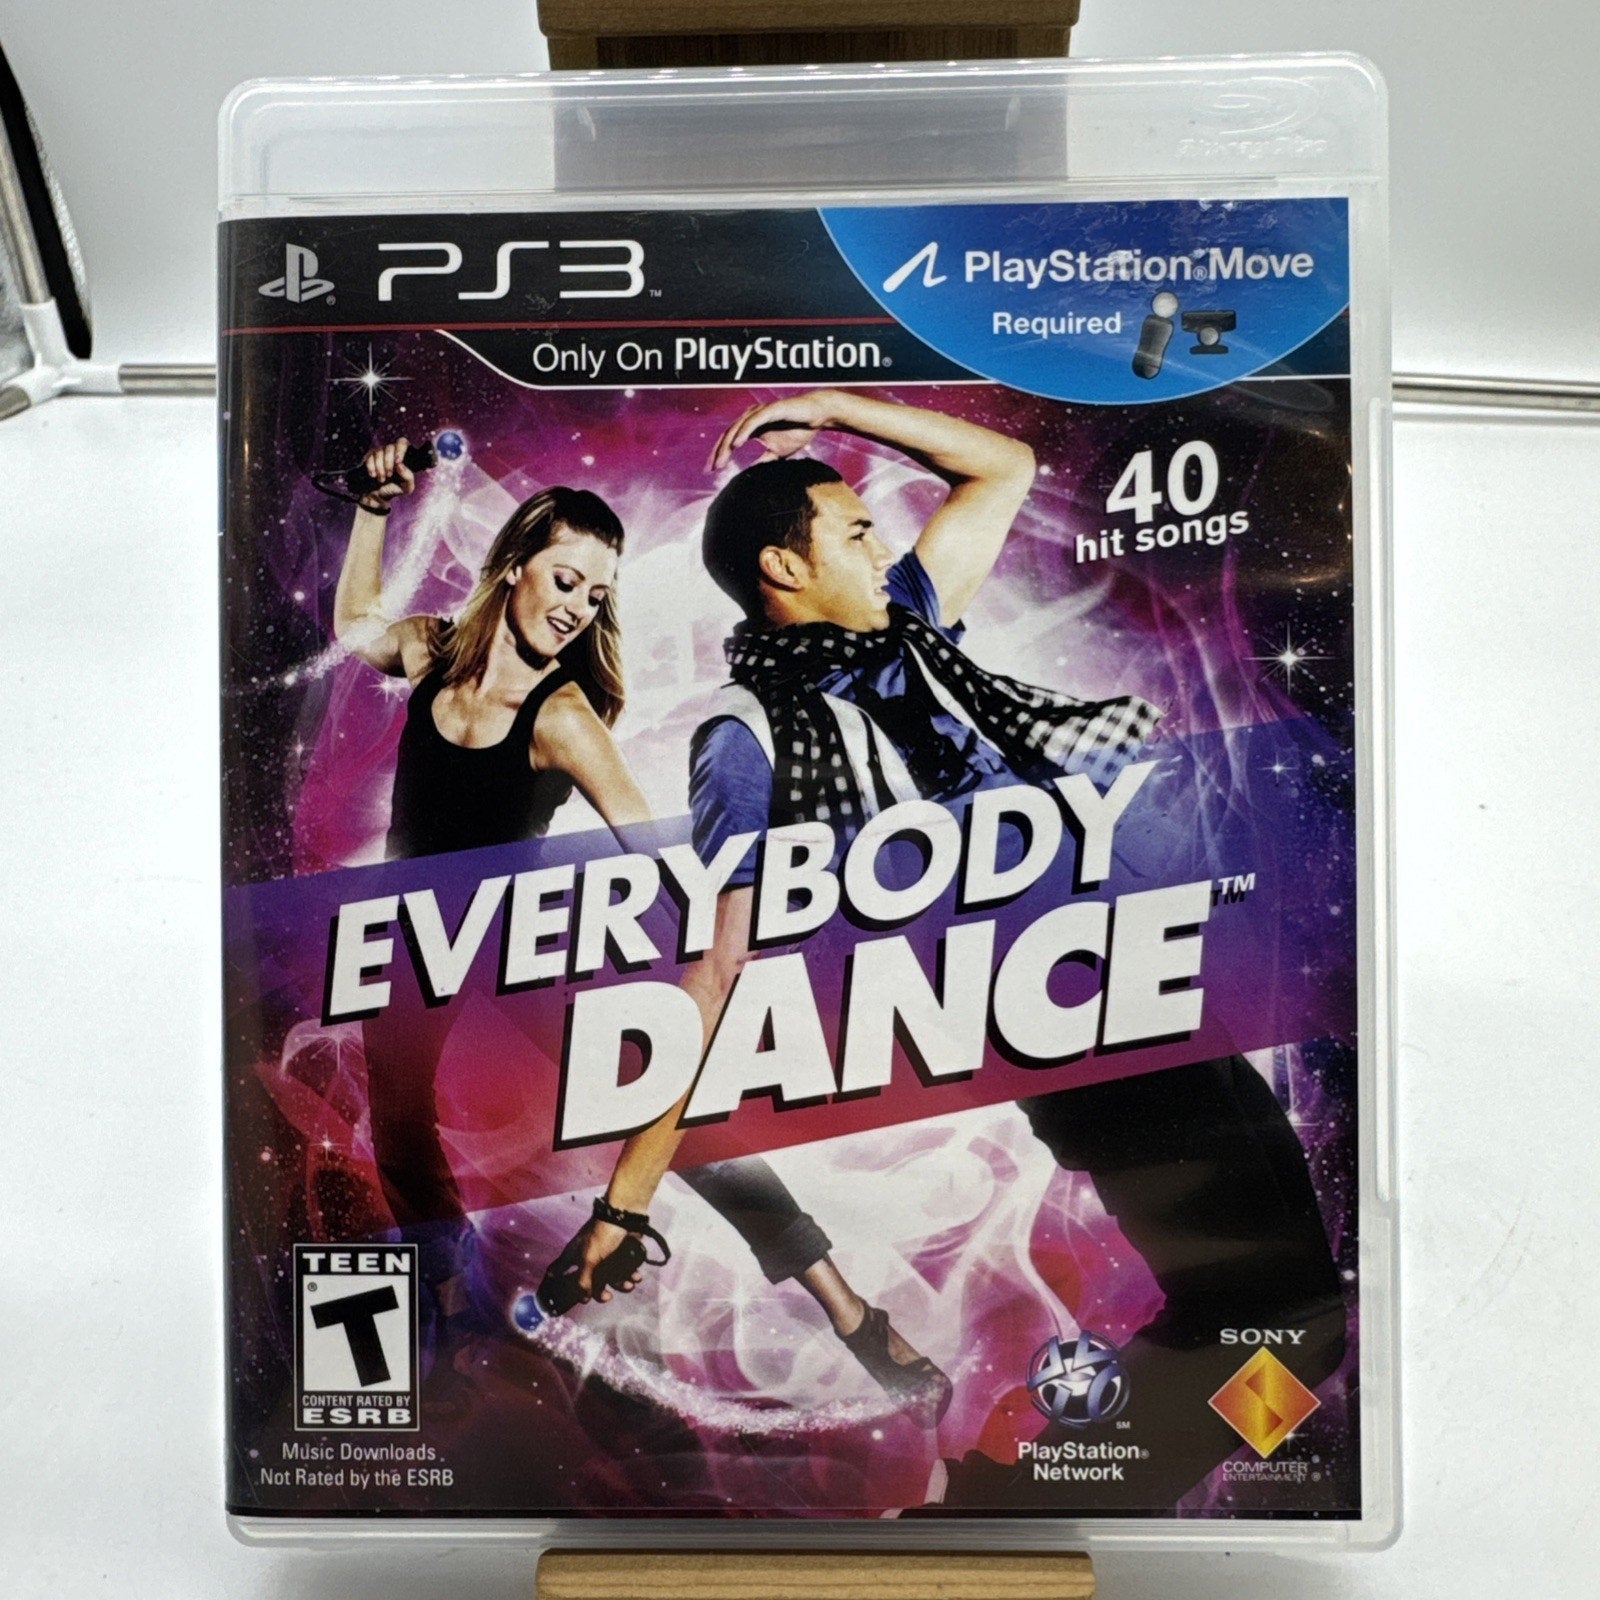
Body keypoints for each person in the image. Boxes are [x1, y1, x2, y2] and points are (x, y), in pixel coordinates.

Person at [557, 390, 1345, 1506]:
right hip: (1063, 1027)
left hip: (1146, 985)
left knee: (1302, 1319)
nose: (882, 545)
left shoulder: (913, 632)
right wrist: (624, 1204)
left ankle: (1029, 1499)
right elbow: (717, 972)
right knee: (1278, 1315)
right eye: (854, 531)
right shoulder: (747, 737)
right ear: (784, 567)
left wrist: (836, 407)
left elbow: (1001, 469)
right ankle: (1021, 1508)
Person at [333, 437, 653, 1351]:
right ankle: (448, 1291)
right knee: (400, 1119)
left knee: (635, 1086)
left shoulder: (564, 715)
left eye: (596, 596)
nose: (578, 609)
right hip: (410, 937)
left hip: (513, 941)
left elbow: (653, 844)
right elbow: (355, 625)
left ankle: (771, 1238)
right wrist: (373, 507)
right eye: (566, 581)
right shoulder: (430, 650)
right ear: (513, 566)